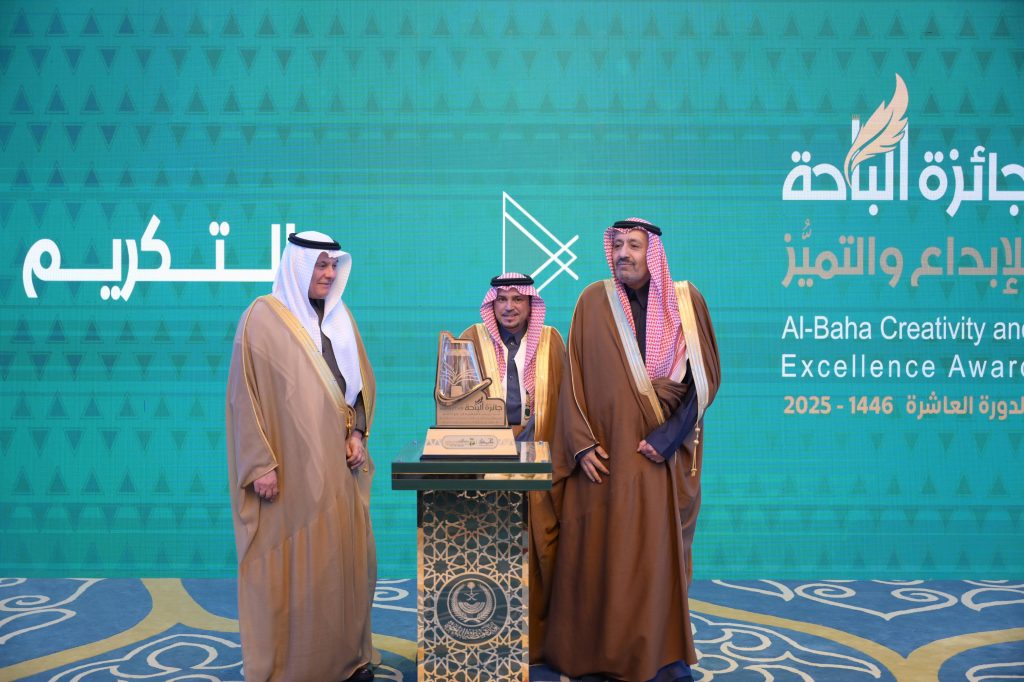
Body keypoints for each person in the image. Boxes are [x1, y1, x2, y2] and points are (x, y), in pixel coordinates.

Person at [544, 218, 721, 682]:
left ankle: (662, 655)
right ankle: (595, 653)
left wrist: (667, 440)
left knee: (652, 559)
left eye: (634, 245)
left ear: (653, 252)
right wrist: (581, 445)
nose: (623, 253)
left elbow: (704, 381)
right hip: (602, 456)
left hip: (658, 457)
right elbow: (573, 381)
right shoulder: (592, 301)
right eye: (618, 244)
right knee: (599, 556)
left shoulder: (686, 302)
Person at [226, 231, 377, 682]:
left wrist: (358, 433)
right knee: (295, 570)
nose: (328, 274)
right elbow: (243, 397)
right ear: (297, 266)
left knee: (344, 566)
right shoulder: (261, 318)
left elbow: (357, 387)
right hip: (288, 472)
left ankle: (346, 661)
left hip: (338, 468)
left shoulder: (340, 317)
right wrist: (260, 464)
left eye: (333, 265)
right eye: (320, 265)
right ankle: (295, 669)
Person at [459, 273, 565, 662]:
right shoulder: (471, 339)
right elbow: (454, 399)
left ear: (531, 304)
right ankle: (488, 635)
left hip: (541, 457)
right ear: (492, 304)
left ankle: (542, 639)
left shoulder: (551, 341)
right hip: (488, 460)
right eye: (501, 299)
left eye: (517, 299)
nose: (509, 307)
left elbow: (567, 401)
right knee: (490, 545)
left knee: (543, 546)